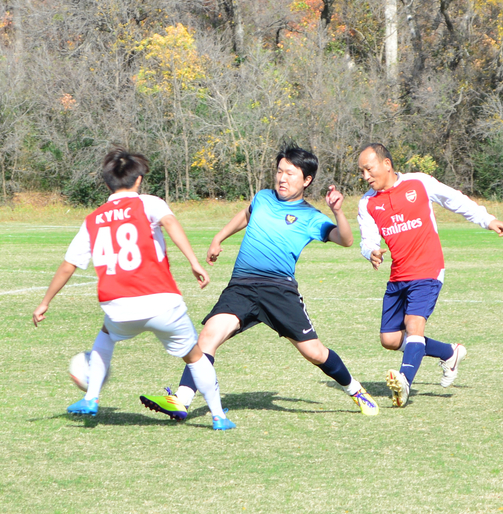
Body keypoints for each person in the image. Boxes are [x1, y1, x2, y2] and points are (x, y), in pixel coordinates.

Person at [141, 146, 379, 417]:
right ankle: (181, 400)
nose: (282, 178)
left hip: (279, 290)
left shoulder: (311, 216)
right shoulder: (263, 197)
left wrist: (337, 211)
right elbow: (246, 214)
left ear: (307, 180)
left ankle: (355, 390)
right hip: (241, 286)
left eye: (290, 173)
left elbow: (346, 240)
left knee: (314, 352)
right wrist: (219, 238)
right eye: (279, 171)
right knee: (207, 336)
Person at [33, 148, 235, 430]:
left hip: (118, 307)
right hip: (162, 301)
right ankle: (219, 417)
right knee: (194, 356)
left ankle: (91, 398)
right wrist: (193, 262)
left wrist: (45, 302)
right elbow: (170, 222)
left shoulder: (93, 219)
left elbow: (69, 265)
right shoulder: (148, 203)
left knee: (105, 334)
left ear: (106, 184)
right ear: (139, 180)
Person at [357, 143, 503, 408]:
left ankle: (404, 382)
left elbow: (455, 200)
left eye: (368, 169)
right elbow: (367, 238)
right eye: (361, 172)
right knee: (390, 339)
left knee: (414, 326)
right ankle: (450, 353)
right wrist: (370, 251)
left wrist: (486, 219)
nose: (365, 176)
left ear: (386, 164)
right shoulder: (367, 202)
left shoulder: (419, 183)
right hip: (398, 275)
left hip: (427, 269)